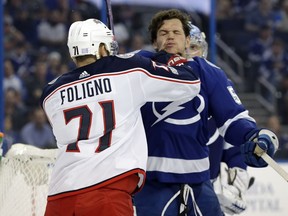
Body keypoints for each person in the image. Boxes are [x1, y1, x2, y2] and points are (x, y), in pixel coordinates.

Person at [40, 18, 201, 216]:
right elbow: (190, 83)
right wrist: (166, 57)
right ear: (100, 47)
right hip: (107, 192)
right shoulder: (129, 69)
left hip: (60, 196)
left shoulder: (51, 93)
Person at [133, 9, 279, 216]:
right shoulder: (139, 69)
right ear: (155, 42)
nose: (170, 36)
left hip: (199, 183)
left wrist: (253, 135)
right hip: (152, 182)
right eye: (164, 33)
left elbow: (233, 119)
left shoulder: (209, 73)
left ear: (186, 41)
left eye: (177, 32)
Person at [187, 23, 254, 215]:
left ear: (203, 50)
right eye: (186, 48)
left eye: (194, 48)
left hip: (206, 188)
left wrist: (236, 185)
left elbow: (233, 144)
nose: (190, 54)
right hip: (164, 185)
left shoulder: (217, 83)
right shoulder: (156, 85)